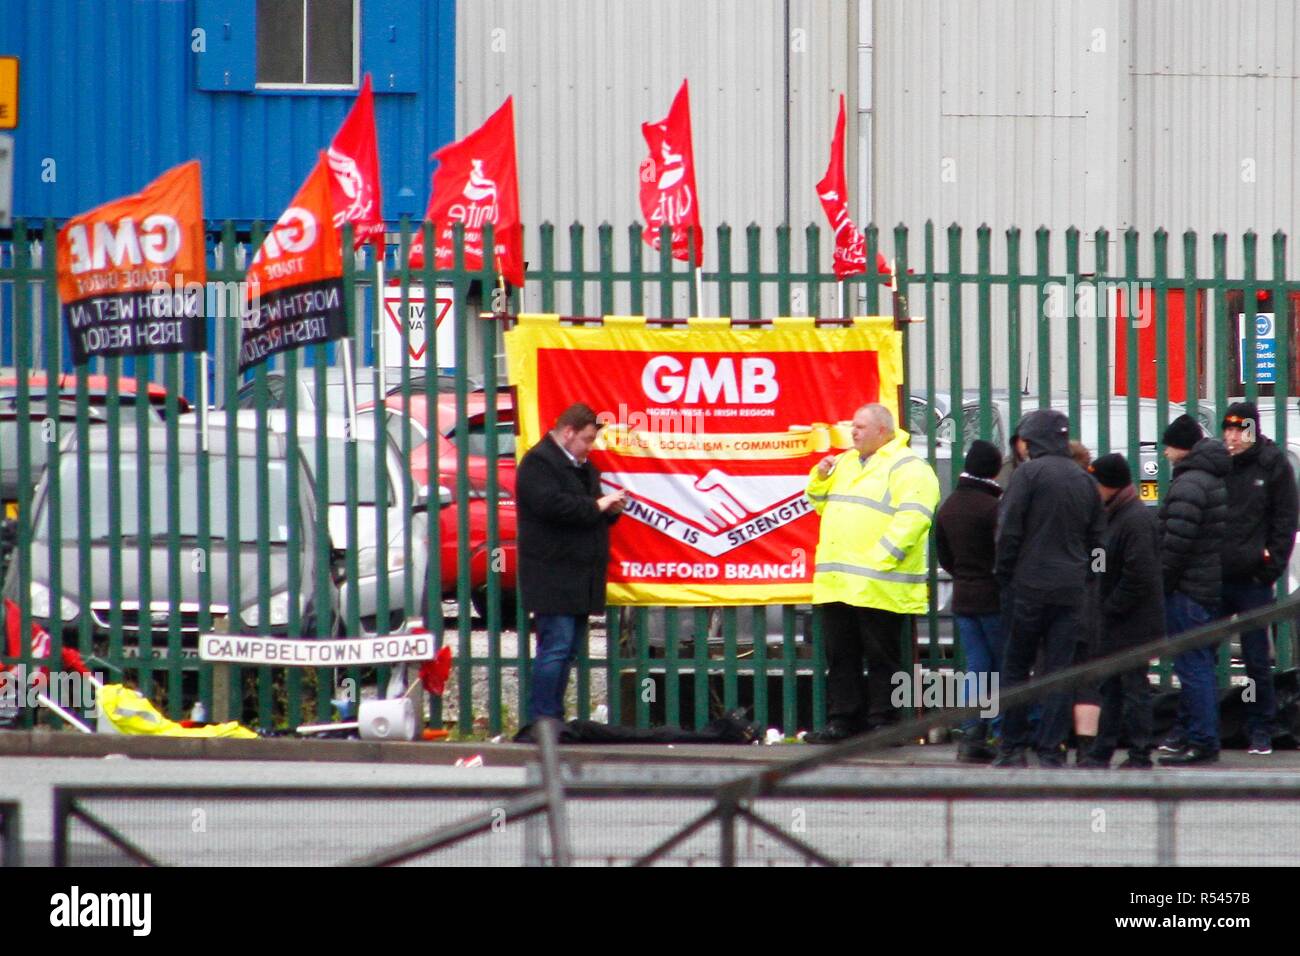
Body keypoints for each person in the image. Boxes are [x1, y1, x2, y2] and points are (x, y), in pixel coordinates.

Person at [805, 403, 940, 743]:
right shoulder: (846, 462)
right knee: (841, 658)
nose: (853, 432)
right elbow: (820, 504)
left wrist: (882, 558)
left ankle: (885, 724)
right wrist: (819, 478)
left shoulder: (909, 467)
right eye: (853, 426)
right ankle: (843, 722)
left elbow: (915, 517)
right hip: (839, 584)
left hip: (879, 583)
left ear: (883, 431)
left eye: (860, 427)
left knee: (883, 660)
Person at [992, 409, 1105, 768]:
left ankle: (1011, 746)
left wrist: (1005, 573)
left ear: (1032, 440)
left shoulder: (1028, 475)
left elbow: (1008, 531)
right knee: (1059, 670)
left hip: (1028, 586)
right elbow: (1099, 542)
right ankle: (1050, 748)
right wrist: (1088, 577)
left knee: (1015, 667)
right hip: (1070, 590)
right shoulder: (1085, 479)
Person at [516, 403, 625, 722]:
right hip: (553, 573)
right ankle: (543, 719)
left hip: (578, 575)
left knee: (568, 651)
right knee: (556, 649)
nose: (590, 448)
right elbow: (552, 506)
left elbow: (585, 511)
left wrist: (609, 510)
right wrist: (597, 504)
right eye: (587, 439)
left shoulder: (581, 467)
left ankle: (552, 717)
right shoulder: (539, 463)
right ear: (568, 432)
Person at [1219, 401, 1299, 756]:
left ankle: (1261, 728)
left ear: (1253, 430)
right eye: (1229, 429)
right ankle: (1198, 726)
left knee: (1256, 658)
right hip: (1217, 576)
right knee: (1199, 653)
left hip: (1252, 579)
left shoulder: (1272, 465)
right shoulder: (1217, 465)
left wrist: (1270, 566)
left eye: (1241, 429)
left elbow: (1285, 520)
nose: (1233, 437)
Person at [1078, 453, 1164, 769]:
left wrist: (1111, 605)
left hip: (1132, 622)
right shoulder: (1116, 514)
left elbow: (1139, 573)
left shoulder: (1134, 519)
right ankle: (1102, 750)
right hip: (1116, 621)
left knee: (1134, 688)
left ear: (1110, 485)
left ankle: (1141, 754)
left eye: (1096, 484)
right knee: (1111, 687)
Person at [1155, 414, 1229, 766]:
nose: (1165, 452)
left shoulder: (1188, 485)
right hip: (1205, 585)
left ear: (1181, 447)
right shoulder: (1210, 479)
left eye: (1168, 445)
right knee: (1199, 663)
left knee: (1193, 666)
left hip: (1186, 590)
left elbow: (1175, 544)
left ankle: (1202, 740)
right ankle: (1196, 735)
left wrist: (1163, 582)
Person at [934, 439, 1005, 762]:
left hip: (963, 598)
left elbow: (944, 556)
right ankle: (1003, 734)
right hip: (994, 598)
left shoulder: (949, 506)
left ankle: (971, 735)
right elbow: (1005, 553)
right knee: (1004, 668)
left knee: (977, 669)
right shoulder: (994, 508)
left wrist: (964, 574)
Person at [1067, 440, 1103, 763]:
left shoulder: (1046, 487)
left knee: (1054, 668)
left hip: (1054, 593)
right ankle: (1086, 749)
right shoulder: (1091, 493)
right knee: (1087, 673)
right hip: (1086, 597)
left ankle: (1052, 743)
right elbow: (1098, 548)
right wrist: (1095, 576)